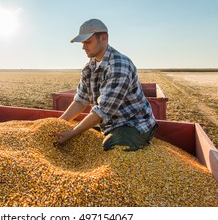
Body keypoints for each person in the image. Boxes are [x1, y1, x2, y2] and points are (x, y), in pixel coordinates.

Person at [55, 18, 157, 151]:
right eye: (82, 42)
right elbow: (80, 101)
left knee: (111, 146)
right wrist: (58, 123)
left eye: (88, 42)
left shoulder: (119, 66)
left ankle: (142, 141)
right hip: (110, 124)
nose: (83, 47)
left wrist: (72, 133)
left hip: (135, 124)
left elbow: (102, 111)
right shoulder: (89, 67)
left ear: (103, 38)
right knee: (82, 138)